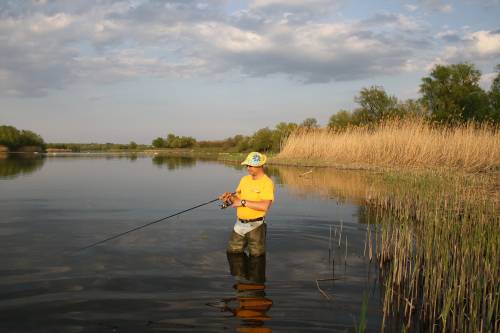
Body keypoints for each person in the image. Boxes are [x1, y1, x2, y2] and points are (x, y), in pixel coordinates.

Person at [219, 152, 275, 257]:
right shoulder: (244, 180)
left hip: (256, 227)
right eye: (247, 165)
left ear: (259, 165)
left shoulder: (267, 183)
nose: (248, 168)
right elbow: (238, 199)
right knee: (232, 253)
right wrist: (229, 197)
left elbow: (265, 206)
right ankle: (237, 274)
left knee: (257, 258)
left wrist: (243, 202)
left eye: (250, 165)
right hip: (239, 225)